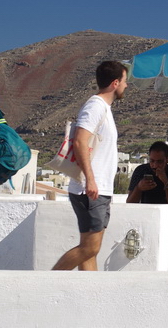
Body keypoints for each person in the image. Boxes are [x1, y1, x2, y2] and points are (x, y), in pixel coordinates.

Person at [52, 61, 126, 270]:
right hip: (91, 189)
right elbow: (80, 141)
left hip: (96, 188)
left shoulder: (103, 108)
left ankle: (89, 289)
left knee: (89, 249)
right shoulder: (95, 106)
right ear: (115, 83)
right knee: (90, 247)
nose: (126, 85)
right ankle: (47, 281)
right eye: (124, 81)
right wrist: (91, 180)